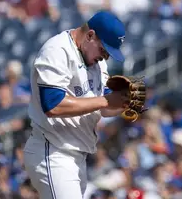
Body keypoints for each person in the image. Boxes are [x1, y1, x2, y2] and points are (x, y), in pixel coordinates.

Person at [23, 11, 130, 199]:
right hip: (53, 150)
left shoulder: (96, 62)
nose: (105, 57)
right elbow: (53, 105)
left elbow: (103, 108)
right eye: (104, 49)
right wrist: (105, 100)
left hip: (77, 156)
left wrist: (123, 103)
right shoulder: (57, 51)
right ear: (90, 35)